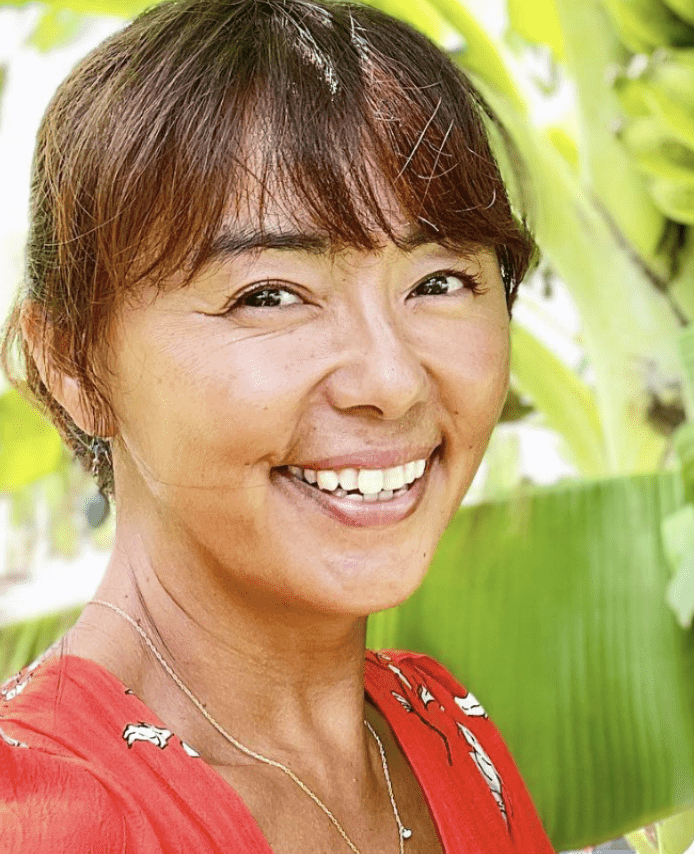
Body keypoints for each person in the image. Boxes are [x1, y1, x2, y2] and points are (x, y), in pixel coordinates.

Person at [0, 0, 552, 851]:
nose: (393, 380)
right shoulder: (48, 815)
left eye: (440, 280)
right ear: (74, 365)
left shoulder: (439, 726)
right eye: (270, 295)